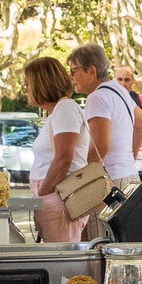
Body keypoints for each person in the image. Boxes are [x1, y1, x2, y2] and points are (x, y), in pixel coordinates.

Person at [25, 56, 89, 241]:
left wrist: (44, 193)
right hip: (55, 195)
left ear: (41, 83)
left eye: (29, 83)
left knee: (60, 261)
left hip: (59, 196)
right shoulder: (58, 112)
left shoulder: (65, 108)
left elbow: (64, 158)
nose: (26, 89)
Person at [69, 43, 139, 185]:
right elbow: (141, 120)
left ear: (92, 71)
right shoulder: (118, 89)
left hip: (112, 178)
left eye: (74, 71)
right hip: (129, 174)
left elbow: (100, 147)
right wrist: (128, 159)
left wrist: (80, 180)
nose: (71, 77)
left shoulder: (97, 97)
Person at [115, 65, 142, 181]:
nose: (123, 83)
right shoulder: (108, 99)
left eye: (127, 80)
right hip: (116, 156)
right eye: (119, 79)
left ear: (132, 82)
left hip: (139, 157)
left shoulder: (141, 100)